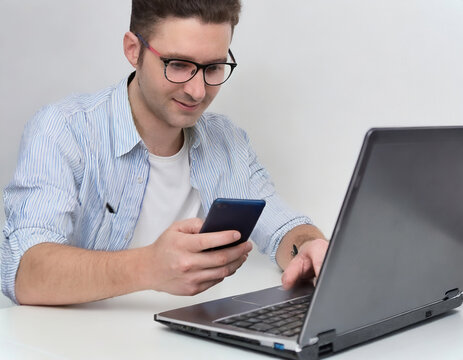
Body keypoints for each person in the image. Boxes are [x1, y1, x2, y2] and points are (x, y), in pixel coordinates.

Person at [1, 0, 328, 306]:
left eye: (213, 68)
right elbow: (23, 269)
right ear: (133, 50)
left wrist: (312, 246)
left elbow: (286, 229)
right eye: (179, 64)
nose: (197, 91)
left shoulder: (226, 140)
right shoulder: (64, 130)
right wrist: (147, 267)